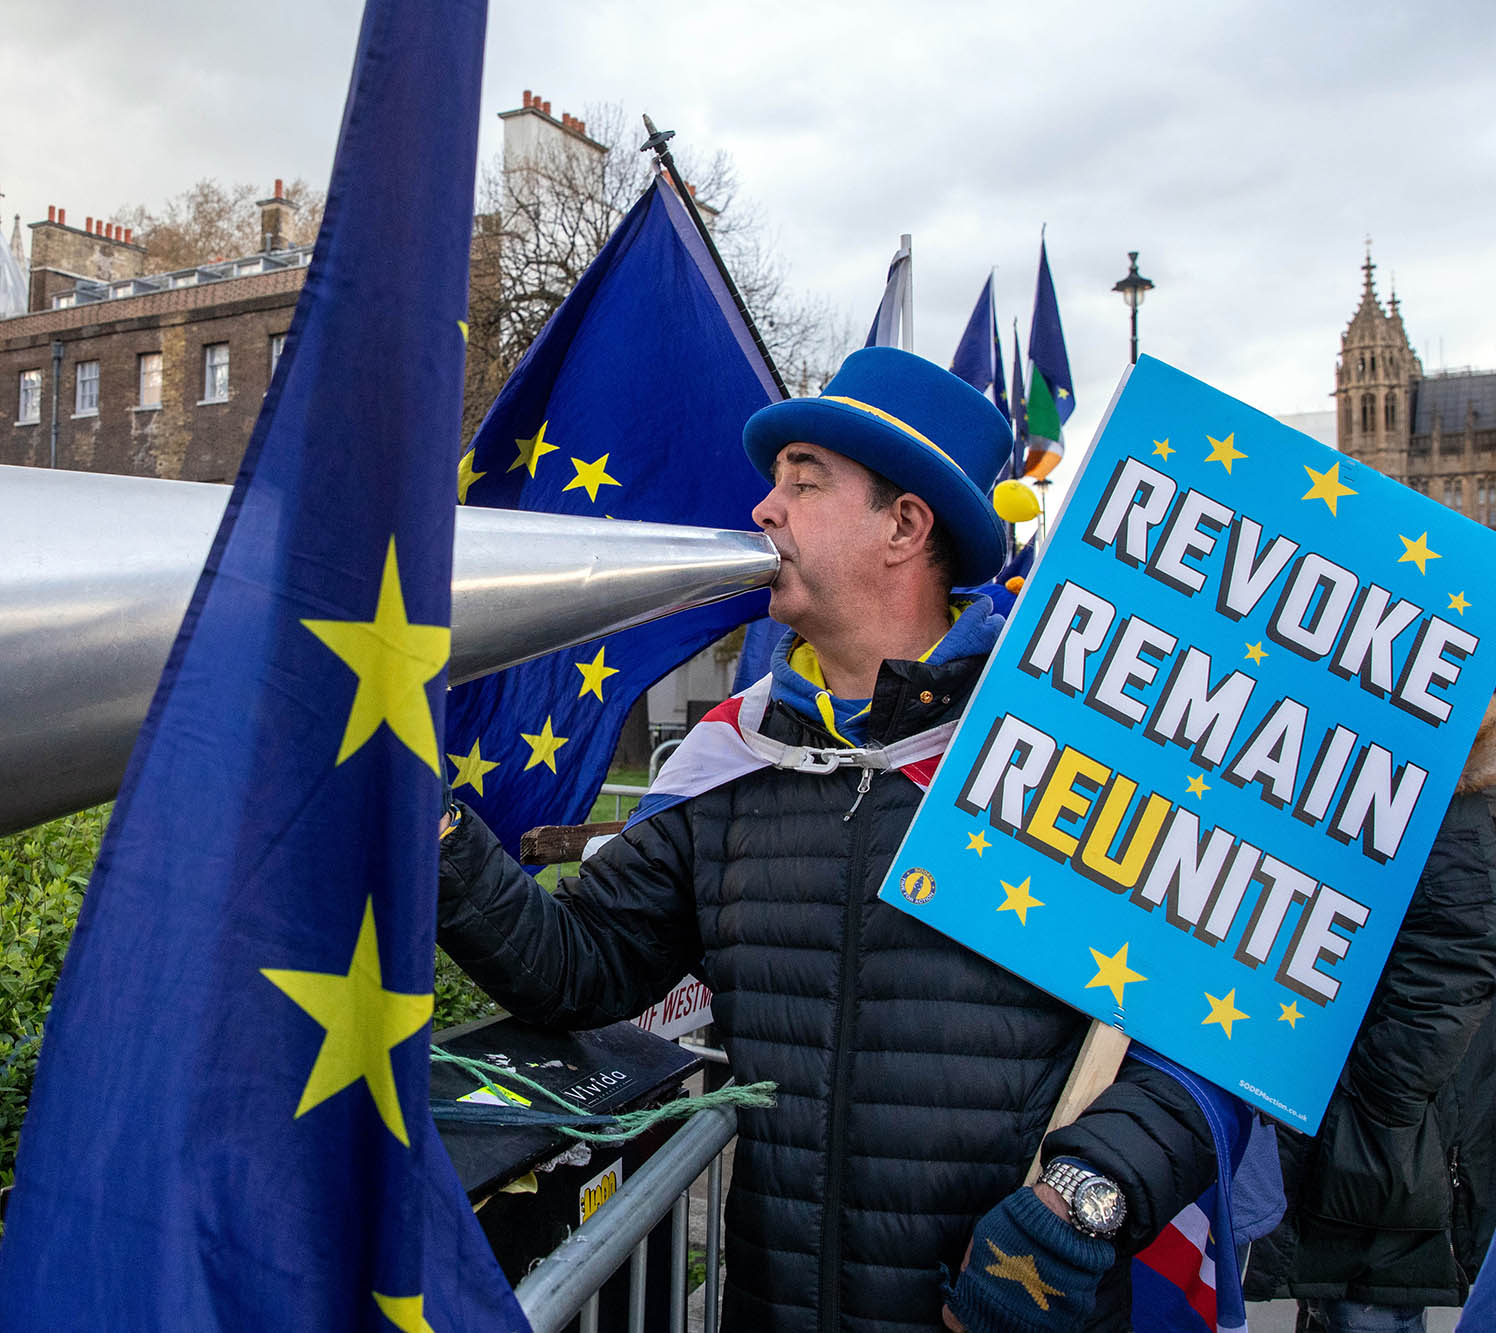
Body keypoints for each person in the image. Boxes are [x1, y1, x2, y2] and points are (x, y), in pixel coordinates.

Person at [437, 348, 1213, 1331]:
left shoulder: (1065, 751)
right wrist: (435, 831)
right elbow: (577, 969)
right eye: (774, 482)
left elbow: (1208, 1032)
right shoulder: (734, 758)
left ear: (904, 524)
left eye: (802, 483)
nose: (763, 510)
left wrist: (1085, 1197)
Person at [1243, 697, 1496, 1332]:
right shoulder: (1419, 802)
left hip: (1386, 1152)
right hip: (1381, 1147)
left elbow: (1444, 992)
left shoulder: (1457, 816)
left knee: (1366, 1307)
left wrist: (1366, 1113)